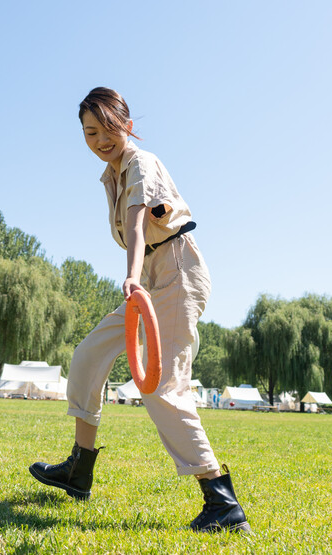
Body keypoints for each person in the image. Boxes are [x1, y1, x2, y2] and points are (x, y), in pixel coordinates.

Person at [29, 87, 251, 533]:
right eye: (90, 132)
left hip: (175, 273)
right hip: (148, 276)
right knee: (88, 355)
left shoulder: (140, 163)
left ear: (127, 125)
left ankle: (221, 503)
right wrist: (137, 276)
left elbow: (135, 223)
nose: (99, 139)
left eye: (108, 128)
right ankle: (79, 469)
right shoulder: (110, 174)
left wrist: (130, 275)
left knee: (163, 386)